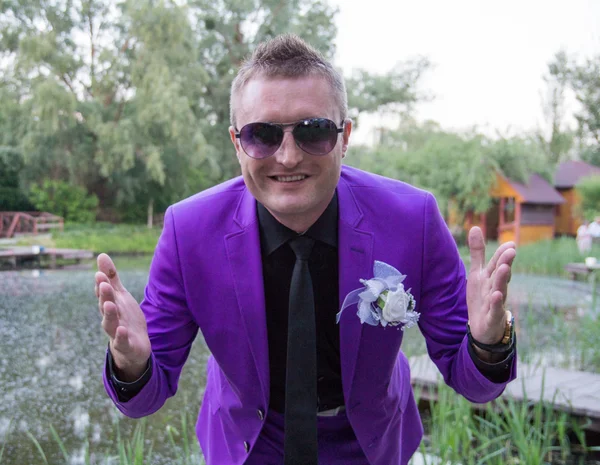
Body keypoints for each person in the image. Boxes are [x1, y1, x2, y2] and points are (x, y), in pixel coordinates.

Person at [95, 35, 517, 465]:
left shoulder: (414, 220)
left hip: (372, 443)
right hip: (245, 444)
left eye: (313, 131)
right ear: (236, 143)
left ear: (345, 136)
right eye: (262, 135)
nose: (289, 156)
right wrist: (131, 362)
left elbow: (475, 384)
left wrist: (489, 343)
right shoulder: (189, 231)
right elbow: (143, 399)